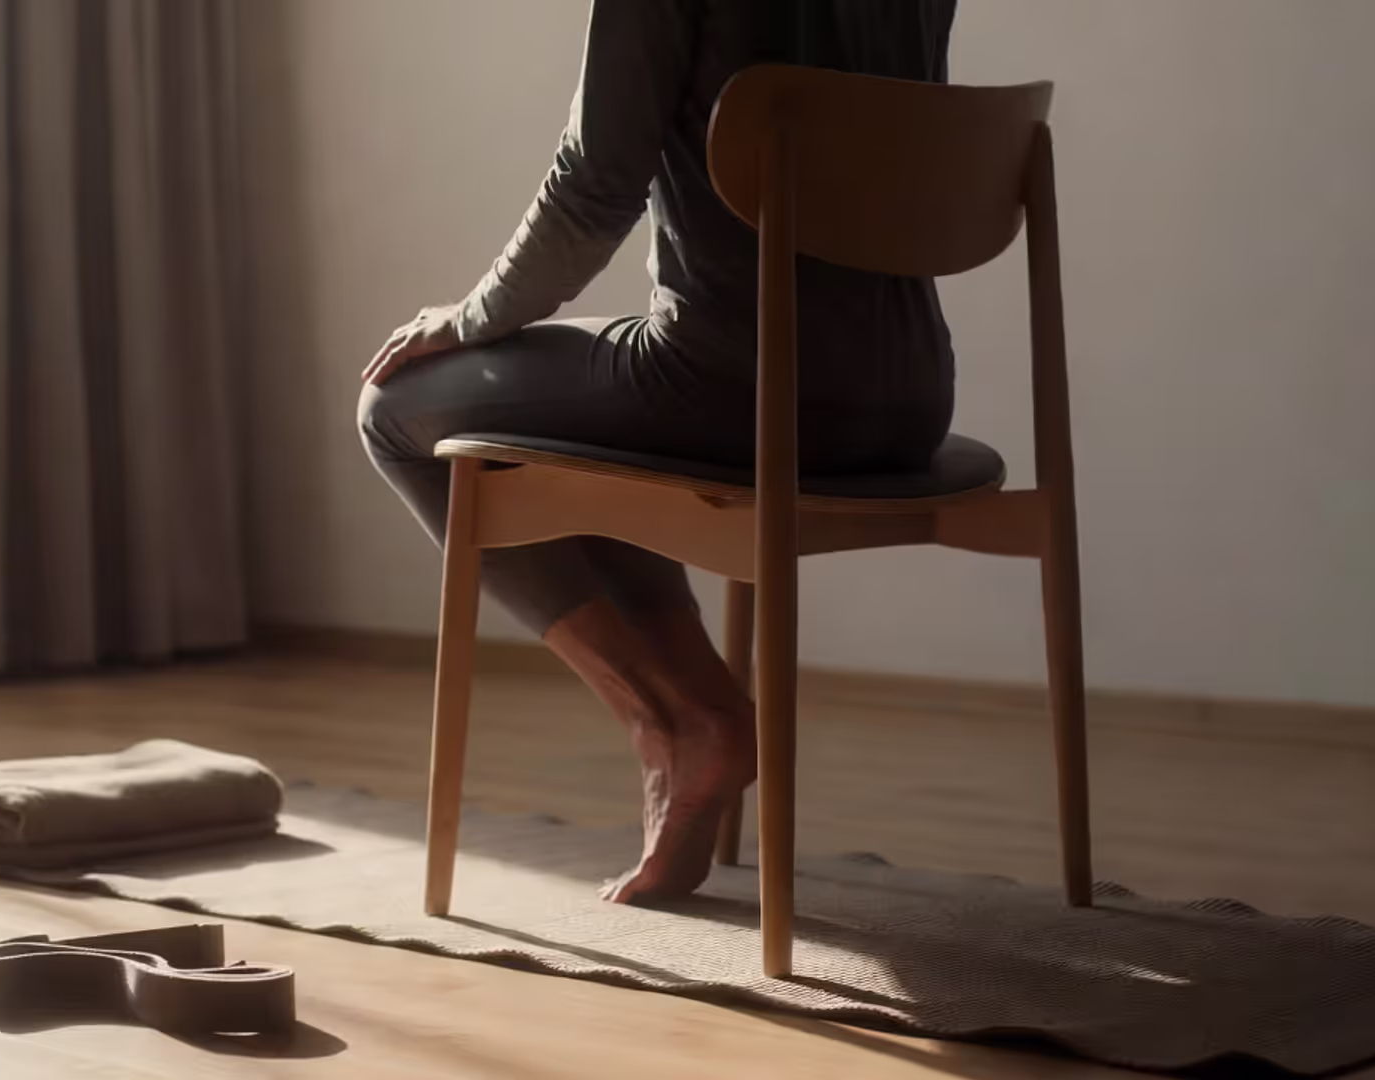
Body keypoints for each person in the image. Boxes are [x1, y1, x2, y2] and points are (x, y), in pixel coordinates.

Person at [358, 0, 959, 903]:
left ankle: (670, 719)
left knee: (395, 408)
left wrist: (469, 318)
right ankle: (694, 711)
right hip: (911, 396)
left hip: (737, 391)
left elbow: (595, 185)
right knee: (589, 426)